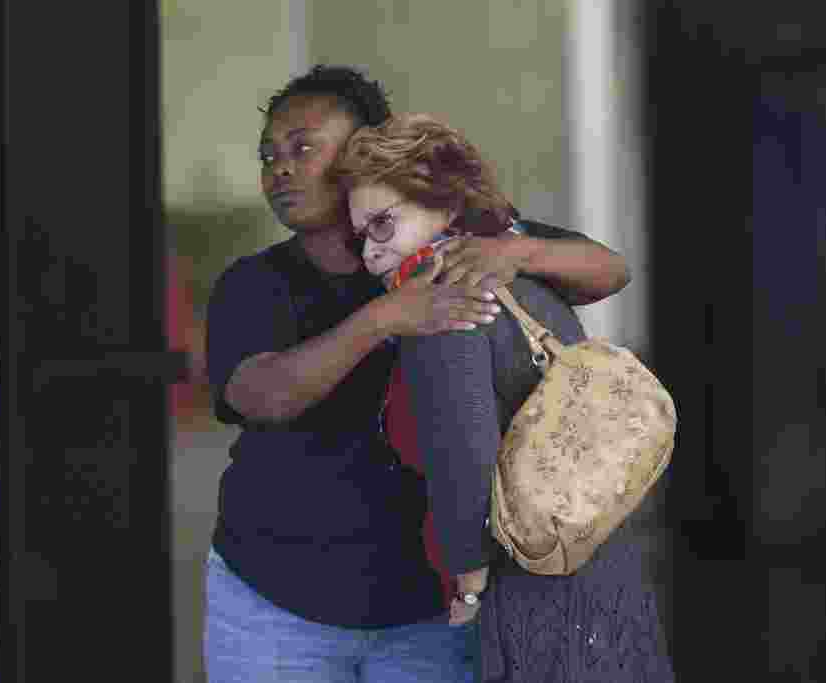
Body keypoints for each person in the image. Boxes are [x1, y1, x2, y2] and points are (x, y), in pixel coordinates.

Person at [203, 65, 631, 682]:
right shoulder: (253, 284)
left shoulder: (454, 240)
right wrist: (385, 317)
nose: (280, 168)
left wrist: (519, 249)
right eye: (269, 155)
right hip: (273, 602)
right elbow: (261, 395)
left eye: (303, 148)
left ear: (363, 151)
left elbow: (608, 271)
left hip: (433, 612)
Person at [335, 111, 674, 682]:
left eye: (383, 225)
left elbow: (462, 449)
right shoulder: (524, 274)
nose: (369, 253)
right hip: (601, 553)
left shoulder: (442, 298)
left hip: (531, 580)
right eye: (360, 237)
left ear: (442, 202)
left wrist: (467, 582)